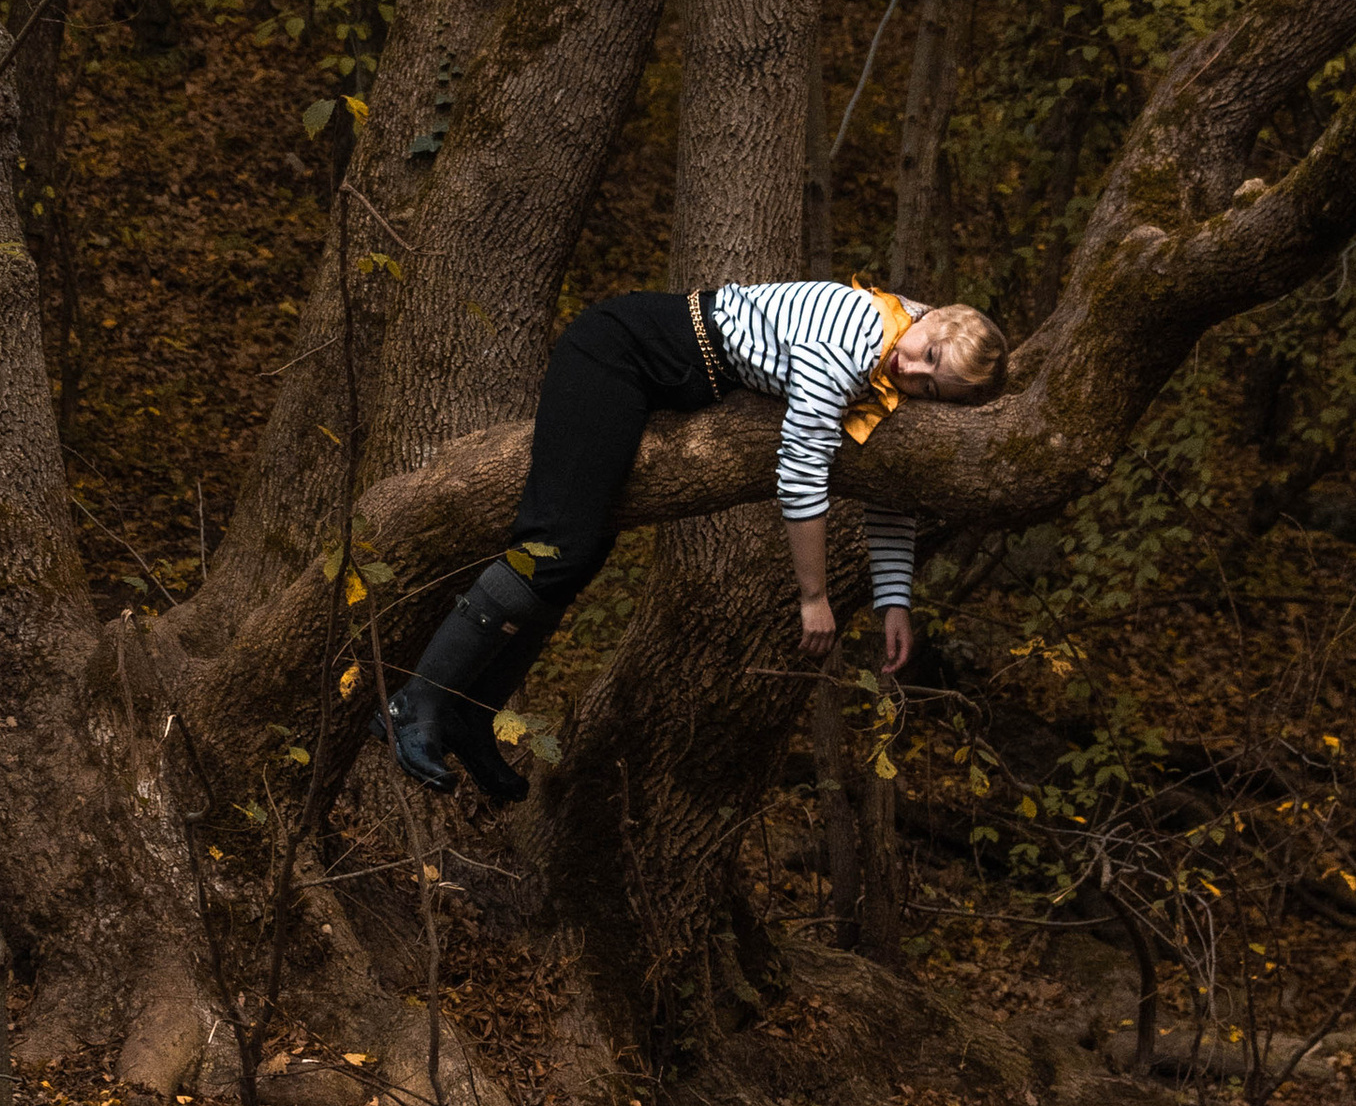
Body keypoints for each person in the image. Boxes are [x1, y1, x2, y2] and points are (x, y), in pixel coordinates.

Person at [384, 276, 1010, 801]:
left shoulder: (903, 339)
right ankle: (416, 704)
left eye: (930, 386)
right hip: (621, 351)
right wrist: (813, 594)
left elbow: (891, 482)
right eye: (927, 355)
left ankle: (470, 714)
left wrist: (893, 597)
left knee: (581, 554)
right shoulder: (858, 337)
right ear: (937, 318)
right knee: (556, 545)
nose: (913, 371)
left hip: (664, 375)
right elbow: (800, 471)